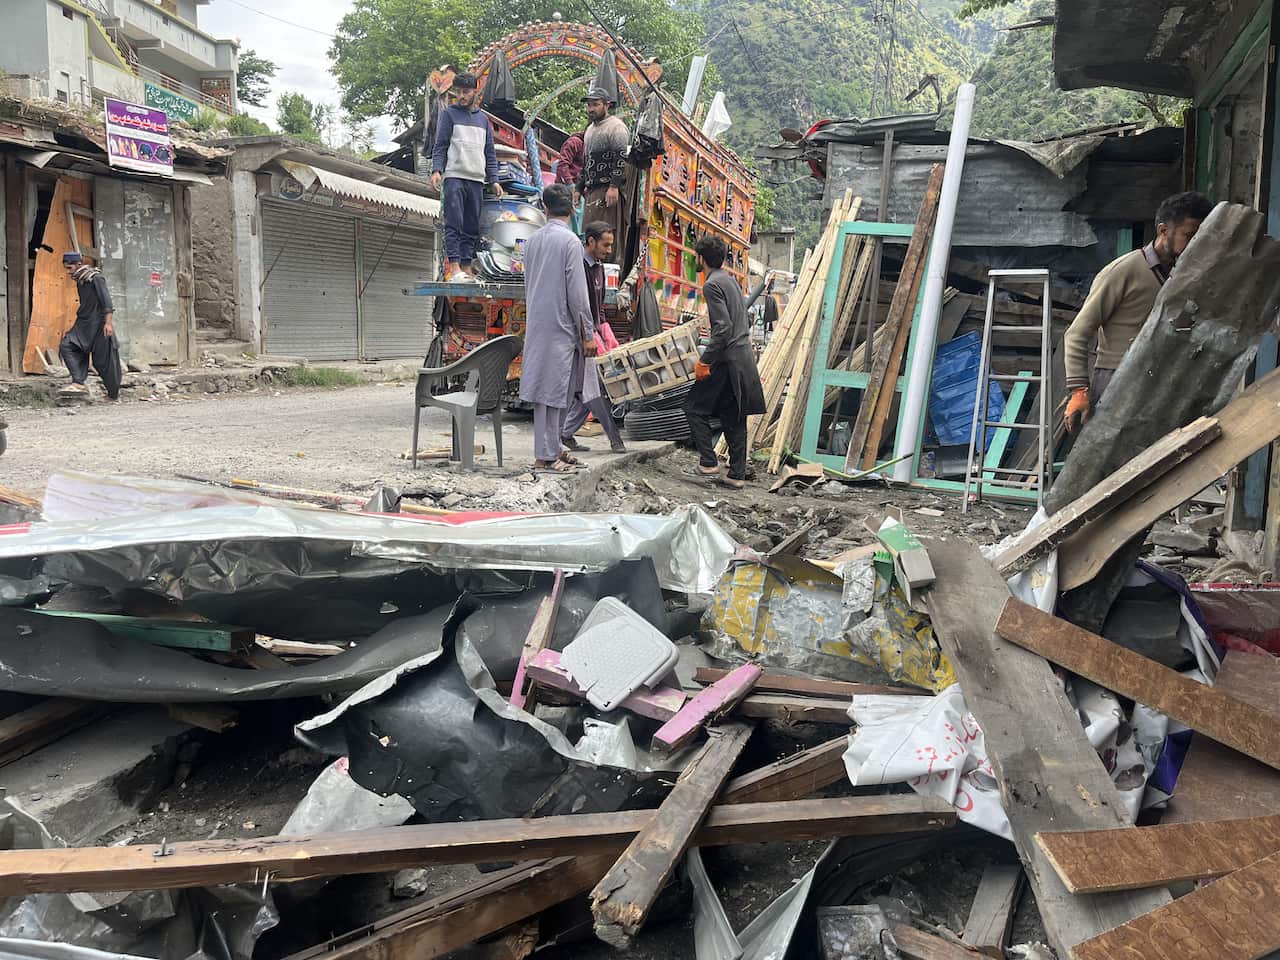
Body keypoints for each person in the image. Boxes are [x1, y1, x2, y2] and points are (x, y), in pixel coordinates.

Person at [1064, 191, 1213, 433]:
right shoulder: (1124, 271)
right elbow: (1077, 334)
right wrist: (1079, 391)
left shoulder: (1184, 276)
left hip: (1160, 381)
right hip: (1117, 380)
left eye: (1201, 236)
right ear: (1164, 230)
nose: (1195, 243)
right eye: (1189, 235)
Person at [519, 184, 597, 472]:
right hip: (562, 325)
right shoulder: (570, 243)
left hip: (539, 321)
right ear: (573, 208)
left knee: (549, 391)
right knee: (554, 391)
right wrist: (587, 333)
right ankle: (546, 455)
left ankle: (551, 448)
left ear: (545, 208)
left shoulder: (533, 241)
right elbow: (578, 294)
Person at [684, 236, 765, 489]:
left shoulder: (711, 285)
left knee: (693, 408)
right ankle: (736, 475)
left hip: (726, 359)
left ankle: (708, 461)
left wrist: (704, 360)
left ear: (701, 258)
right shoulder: (729, 280)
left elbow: (723, 328)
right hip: (742, 358)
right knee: (734, 416)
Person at [430, 72, 503, 283]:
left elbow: (489, 152)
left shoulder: (483, 120)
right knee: (454, 222)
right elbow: (441, 145)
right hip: (454, 176)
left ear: (475, 92)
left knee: (472, 224)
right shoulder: (449, 114)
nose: (461, 96)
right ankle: (453, 265)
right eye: (459, 92)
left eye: (466, 92)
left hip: (476, 180)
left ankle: (466, 264)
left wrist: (494, 179)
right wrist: (437, 170)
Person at [562, 221, 626, 455]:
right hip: (579, 336)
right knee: (594, 389)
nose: (609, 250)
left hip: (592, 333)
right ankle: (615, 439)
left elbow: (597, 306)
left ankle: (566, 433)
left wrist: (605, 330)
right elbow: (580, 306)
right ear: (590, 241)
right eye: (605, 245)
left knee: (586, 390)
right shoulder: (578, 266)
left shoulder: (598, 266)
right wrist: (590, 335)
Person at [58, 252, 121, 401]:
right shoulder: (81, 280)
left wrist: (108, 323)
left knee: (103, 361)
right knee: (67, 345)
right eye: (66, 268)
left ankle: (113, 394)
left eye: (70, 267)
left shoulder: (96, 278)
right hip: (84, 323)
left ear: (78, 265)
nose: (68, 272)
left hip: (99, 325)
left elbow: (107, 303)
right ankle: (79, 382)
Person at [576, 87, 629, 264]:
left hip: (608, 190)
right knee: (590, 235)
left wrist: (614, 186)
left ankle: (610, 276)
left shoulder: (616, 127)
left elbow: (621, 159)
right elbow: (586, 162)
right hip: (592, 190)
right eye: (589, 105)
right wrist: (578, 188)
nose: (591, 109)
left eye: (596, 104)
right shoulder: (590, 130)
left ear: (607, 105)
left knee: (607, 235)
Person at [556, 130, 586, 235]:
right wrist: (571, 185)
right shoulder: (574, 142)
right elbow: (562, 165)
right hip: (566, 187)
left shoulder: (590, 146)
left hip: (580, 188)